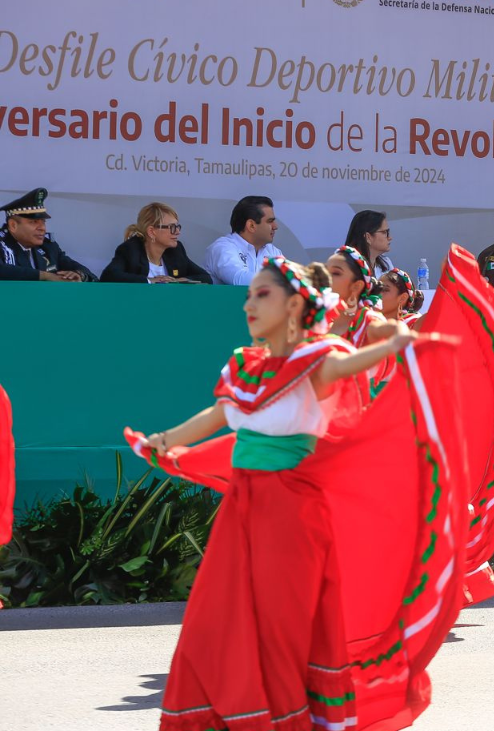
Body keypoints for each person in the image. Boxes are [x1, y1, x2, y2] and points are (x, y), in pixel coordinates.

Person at [126, 256, 467, 731]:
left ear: (294, 305)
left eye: (261, 294)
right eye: (248, 294)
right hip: (241, 514)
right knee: (214, 622)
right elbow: (219, 417)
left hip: (291, 515)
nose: (249, 303)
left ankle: (283, 719)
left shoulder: (319, 359)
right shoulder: (247, 367)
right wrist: (164, 441)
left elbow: (352, 364)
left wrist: (402, 341)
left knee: (281, 627)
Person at [100, 202, 212, 284]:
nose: (177, 232)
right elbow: (108, 276)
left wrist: (181, 280)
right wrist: (150, 281)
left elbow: (206, 277)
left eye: (177, 227)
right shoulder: (131, 250)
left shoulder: (176, 251)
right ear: (152, 231)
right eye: (172, 227)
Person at [0, 188, 96, 282]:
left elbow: (88, 273)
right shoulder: (2, 245)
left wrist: (79, 275)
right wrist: (44, 276)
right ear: (13, 225)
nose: (42, 228)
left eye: (43, 222)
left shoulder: (48, 247)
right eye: (33, 222)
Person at [204, 195, 283, 286]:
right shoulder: (223, 248)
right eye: (270, 221)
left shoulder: (272, 251)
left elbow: (290, 278)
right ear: (251, 226)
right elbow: (239, 280)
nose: (275, 227)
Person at [344, 210, 395, 279]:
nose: (389, 238)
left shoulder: (386, 263)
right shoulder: (348, 265)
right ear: (368, 237)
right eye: (384, 232)